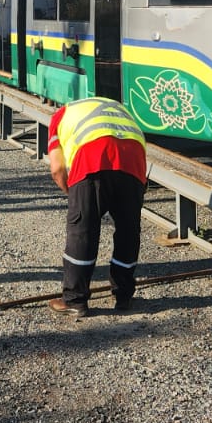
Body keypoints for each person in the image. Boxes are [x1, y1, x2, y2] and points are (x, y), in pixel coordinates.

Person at [46, 95, 147, 319]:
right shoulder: (117, 107)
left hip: (93, 160)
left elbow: (57, 169)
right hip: (134, 160)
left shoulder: (60, 115)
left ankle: (75, 300)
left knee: (82, 232)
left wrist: (73, 196)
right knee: (128, 232)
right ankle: (124, 297)